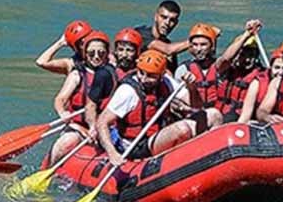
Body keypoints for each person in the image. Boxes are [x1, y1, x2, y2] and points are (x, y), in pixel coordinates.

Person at [95, 50, 217, 166]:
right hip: (137, 145)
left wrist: (191, 87)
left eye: (151, 76)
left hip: (159, 135)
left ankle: (214, 159)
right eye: (141, 72)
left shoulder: (166, 81)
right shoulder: (127, 91)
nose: (144, 79)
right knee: (182, 129)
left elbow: (197, 106)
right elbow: (102, 122)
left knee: (213, 114)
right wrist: (112, 153)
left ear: (162, 74)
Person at [47, 30, 116, 164]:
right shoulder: (77, 75)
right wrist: (63, 113)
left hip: (105, 128)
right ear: (85, 54)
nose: (96, 57)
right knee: (66, 142)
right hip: (78, 127)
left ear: (107, 53)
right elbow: (60, 99)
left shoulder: (113, 73)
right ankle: (49, 168)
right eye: (91, 53)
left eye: (101, 53)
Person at [134, 0, 189, 72]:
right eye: (163, 17)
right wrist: (197, 40)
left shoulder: (169, 45)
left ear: (176, 23)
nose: (167, 22)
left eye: (172, 20)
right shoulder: (141, 34)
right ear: (156, 17)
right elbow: (167, 49)